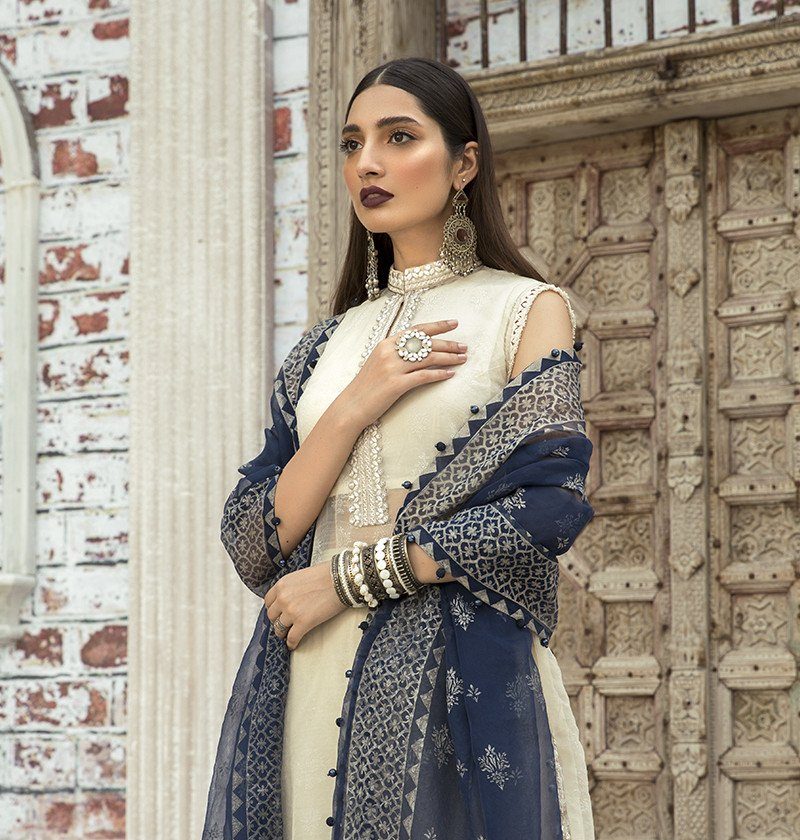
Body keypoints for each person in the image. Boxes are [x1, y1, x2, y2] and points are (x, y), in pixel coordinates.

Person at [203, 56, 595, 840]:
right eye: (353, 144)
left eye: (399, 137)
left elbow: (547, 510)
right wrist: (355, 404)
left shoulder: (525, 310)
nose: (368, 163)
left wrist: (346, 579)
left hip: (457, 686)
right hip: (301, 682)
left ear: (464, 164)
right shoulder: (324, 350)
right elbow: (253, 541)